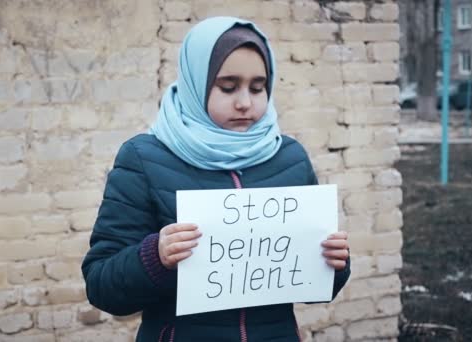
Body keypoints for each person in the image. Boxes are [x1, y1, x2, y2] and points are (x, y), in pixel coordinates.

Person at [82, 16, 350, 342]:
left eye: (258, 87)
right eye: (227, 86)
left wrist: (334, 264)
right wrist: (155, 257)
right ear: (197, 82)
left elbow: (314, 288)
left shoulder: (290, 157)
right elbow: (101, 286)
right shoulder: (144, 158)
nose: (245, 102)